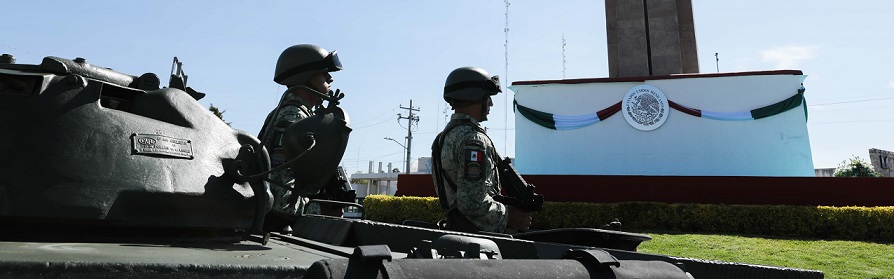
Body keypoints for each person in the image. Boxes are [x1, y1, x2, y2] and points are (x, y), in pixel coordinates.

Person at [431, 66, 533, 234]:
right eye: (488, 97)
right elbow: (471, 202)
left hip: (457, 233)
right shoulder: (474, 140)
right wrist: (509, 216)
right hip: (480, 240)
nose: (491, 103)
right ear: (475, 96)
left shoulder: (442, 138)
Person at [260, 44, 342, 231]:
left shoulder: (288, 113)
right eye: (323, 73)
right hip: (276, 230)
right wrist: (322, 210)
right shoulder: (294, 117)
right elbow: (280, 199)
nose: (330, 78)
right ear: (305, 77)